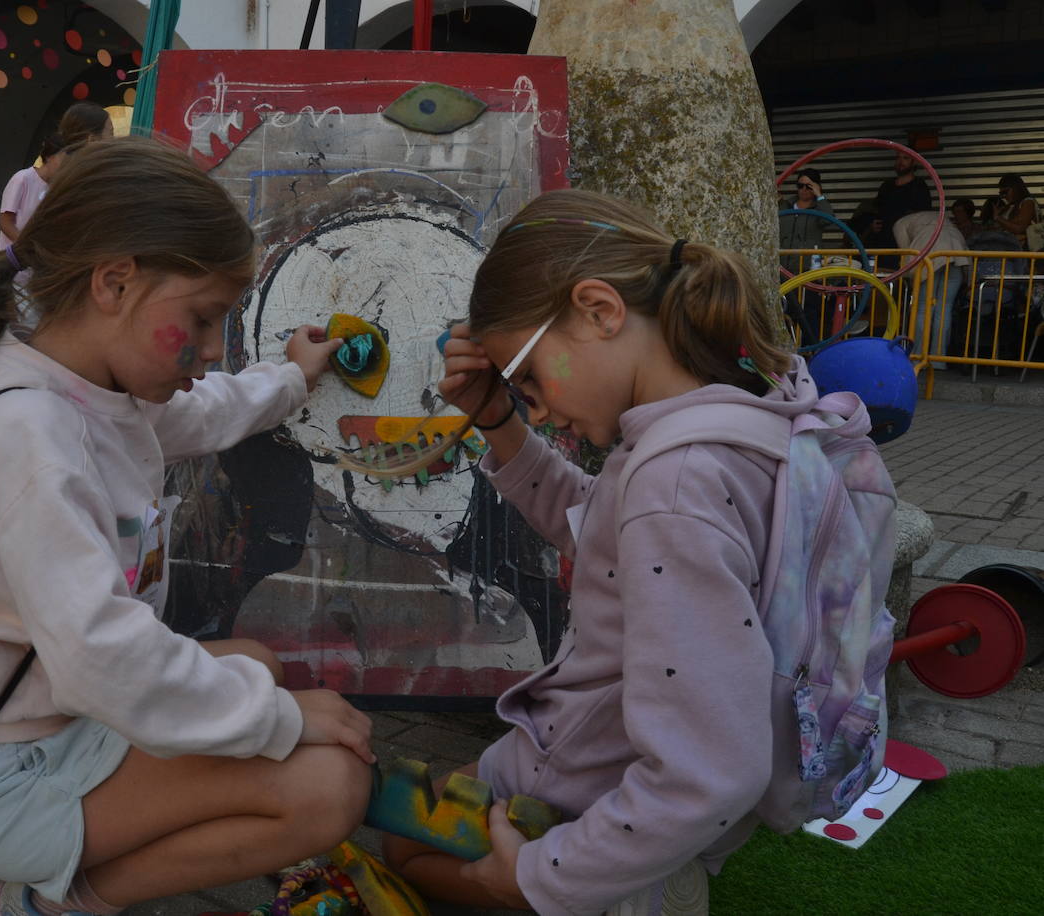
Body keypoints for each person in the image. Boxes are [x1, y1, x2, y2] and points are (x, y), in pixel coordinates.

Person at [0, 136, 373, 915]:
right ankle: (46, 905)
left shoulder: (92, 384)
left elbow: (208, 410)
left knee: (253, 660)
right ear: (114, 282)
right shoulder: (35, 436)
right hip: (19, 777)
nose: (209, 348)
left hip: (67, 721)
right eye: (200, 317)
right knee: (329, 786)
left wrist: (293, 374)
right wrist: (281, 722)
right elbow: (97, 655)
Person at [372, 189, 823, 914]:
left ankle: (624, 882)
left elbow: (711, 769)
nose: (536, 408)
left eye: (527, 378)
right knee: (423, 807)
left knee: (404, 844)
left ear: (600, 311)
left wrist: (538, 877)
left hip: (599, 782)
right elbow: (602, 529)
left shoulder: (669, 482)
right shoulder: (740, 417)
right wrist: (496, 418)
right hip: (613, 755)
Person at [893, 209, 968, 370]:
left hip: (931, 253)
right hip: (957, 251)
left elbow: (907, 253)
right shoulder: (935, 217)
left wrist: (905, 278)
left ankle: (917, 357)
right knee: (944, 308)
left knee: (922, 309)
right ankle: (938, 360)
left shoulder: (899, 223)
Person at [777, 168, 833, 344]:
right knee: (782, 310)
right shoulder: (784, 205)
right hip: (783, 269)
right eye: (800, 185)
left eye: (808, 186)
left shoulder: (819, 208)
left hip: (807, 271)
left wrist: (820, 196)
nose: (803, 190)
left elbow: (828, 221)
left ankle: (811, 349)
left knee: (808, 313)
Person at [0, 132, 66, 250]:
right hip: (15, 259)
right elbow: (5, 223)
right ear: (50, 156)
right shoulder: (23, 179)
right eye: (64, 160)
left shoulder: (57, 189)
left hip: (39, 261)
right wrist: (28, 247)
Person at [872, 150, 931, 250]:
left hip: (907, 244)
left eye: (905, 158)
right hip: (884, 243)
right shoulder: (887, 186)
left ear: (914, 162)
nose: (900, 161)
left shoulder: (919, 187)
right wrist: (873, 225)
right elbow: (877, 210)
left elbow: (924, 217)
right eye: (898, 157)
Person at [991, 174, 1038, 249]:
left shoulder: (1027, 202)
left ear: (1016, 188)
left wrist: (998, 218)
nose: (1004, 196)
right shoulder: (1010, 207)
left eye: (1005, 192)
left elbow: (1020, 228)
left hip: (1027, 250)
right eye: (1001, 194)